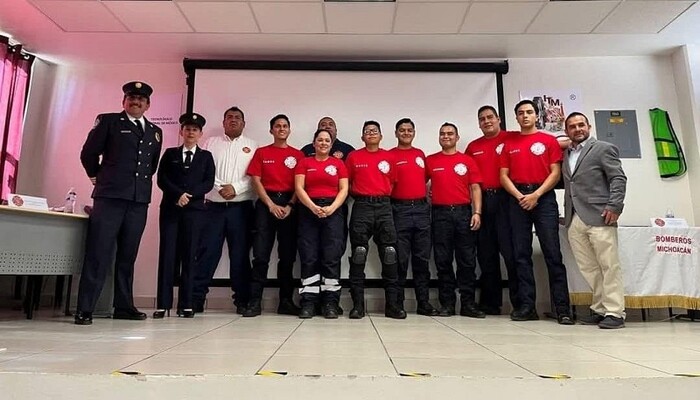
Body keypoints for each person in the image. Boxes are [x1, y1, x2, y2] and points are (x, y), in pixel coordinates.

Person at [75, 81, 162, 325]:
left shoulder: (155, 131)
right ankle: (86, 308)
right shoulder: (109, 121)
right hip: (110, 198)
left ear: (148, 104)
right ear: (123, 101)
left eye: (141, 99)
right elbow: (88, 153)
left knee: (127, 256)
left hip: (138, 201)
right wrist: (97, 177)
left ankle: (123, 306)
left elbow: (151, 165)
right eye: (131, 98)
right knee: (98, 253)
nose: (136, 102)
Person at [499, 100, 573, 325]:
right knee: (521, 255)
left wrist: (536, 195)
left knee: (553, 254)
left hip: (544, 200)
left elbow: (555, 173)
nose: (525, 116)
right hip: (517, 200)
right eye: (520, 113)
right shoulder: (508, 143)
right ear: (516, 117)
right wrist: (520, 196)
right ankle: (527, 307)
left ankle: (562, 309)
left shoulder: (548, 141)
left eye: (529, 112)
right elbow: (503, 175)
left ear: (536, 115)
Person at [562, 112, 627, 329]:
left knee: (609, 265)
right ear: (567, 131)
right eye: (572, 126)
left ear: (589, 126)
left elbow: (618, 177)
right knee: (589, 267)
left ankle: (615, 312)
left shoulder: (603, 148)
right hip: (574, 217)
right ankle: (600, 308)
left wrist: (615, 205)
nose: (577, 129)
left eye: (581, 125)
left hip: (601, 214)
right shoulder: (566, 153)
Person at [191, 106, 258, 314]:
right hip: (213, 208)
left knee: (240, 255)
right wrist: (220, 187)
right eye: (229, 117)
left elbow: (254, 176)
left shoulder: (253, 146)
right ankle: (195, 299)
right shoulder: (211, 143)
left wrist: (235, 188)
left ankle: (242, 301)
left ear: (244, 123)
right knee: (207, 253)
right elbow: (204, 170)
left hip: (241, 209)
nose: (233, 120)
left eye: (238, 118)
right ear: (223, 122)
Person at [154, 113, 215, 319]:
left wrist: (189, 196)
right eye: (187, 129)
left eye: (195, 130)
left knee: (190, 255)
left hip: (194, 211)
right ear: (181, 131)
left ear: (200, 134)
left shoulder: (206, 157)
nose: (191, 132)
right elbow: (162, 179)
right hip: (171, 209)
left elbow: (208, 182)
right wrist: (177, 195)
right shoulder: (170, 153)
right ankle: (162, 304)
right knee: (168, 255)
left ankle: (186, 304)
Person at [243, 114, 303, 317]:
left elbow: (300, 185)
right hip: (265, 205)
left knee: (287, 257)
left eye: (285, 126)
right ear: (271, 130)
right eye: (277, 126)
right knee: (260, 255)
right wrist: (270, 205)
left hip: (289, 206)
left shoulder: (298, 155)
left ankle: (285, 301)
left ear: (289, 129)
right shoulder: (261, 152)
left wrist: (289, 205)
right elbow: (256, 181)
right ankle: (254, 301)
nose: (281, 129)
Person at [345, 121, 405, 319]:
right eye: (367, 131)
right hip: (361, 206)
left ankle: (393, 306)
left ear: (381, 136)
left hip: (385, 207)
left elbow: (393, 183)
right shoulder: (353, 157)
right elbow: (348, 184)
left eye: (375, 131)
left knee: (390, 253)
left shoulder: (390, 157)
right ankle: (358, 306)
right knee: (359, 252)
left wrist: (381, 197)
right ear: (362, 137)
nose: (371, 133)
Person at [426, 123, 484, 318]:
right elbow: (419, 184)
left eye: (450, 133)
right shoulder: (431, 160)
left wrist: (477, 213)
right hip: (440, 214)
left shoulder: (467, 161)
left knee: (467, 260)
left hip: (463, 213)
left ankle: (468, 304)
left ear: (457, 137)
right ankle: (447, 304)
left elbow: (475, 188)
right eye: (442, 133)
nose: (446, 136)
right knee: (443, 260)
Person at [465, 106, 518, 315]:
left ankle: (520, 303)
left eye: (490, 117)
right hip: (483, 202)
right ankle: (490, 303)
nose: (486, 121)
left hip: (507, 200)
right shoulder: (472, 147)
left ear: (498, 119)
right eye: (482, 119)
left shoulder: (512, 139)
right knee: (486, 255)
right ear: (478, 123)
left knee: (511, 253)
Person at [301, 116, 355, 315]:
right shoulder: (304, 161)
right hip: (308, 211)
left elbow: (344, 188)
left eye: (327, 140)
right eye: (320, 139)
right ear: (314, 142)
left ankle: (330, 302)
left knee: (331, 257)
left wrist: (331, 208)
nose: (323, 142)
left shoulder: (340, 163)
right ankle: (308, 302)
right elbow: (299, 188)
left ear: (332, 143)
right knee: (309, 257)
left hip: (334, 211)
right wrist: (312, 206)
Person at [389, 118, 438, 316]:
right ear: (396, 133)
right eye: (402, 130)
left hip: (421, 210)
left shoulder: (420, 154)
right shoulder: (390, 155)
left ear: (414, 133)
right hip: (399, 210)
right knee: (400, 260)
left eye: (409, 130)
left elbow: (424, 178)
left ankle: (423, 303)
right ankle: (397, 303)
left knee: (422, 259)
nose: (406, 133)